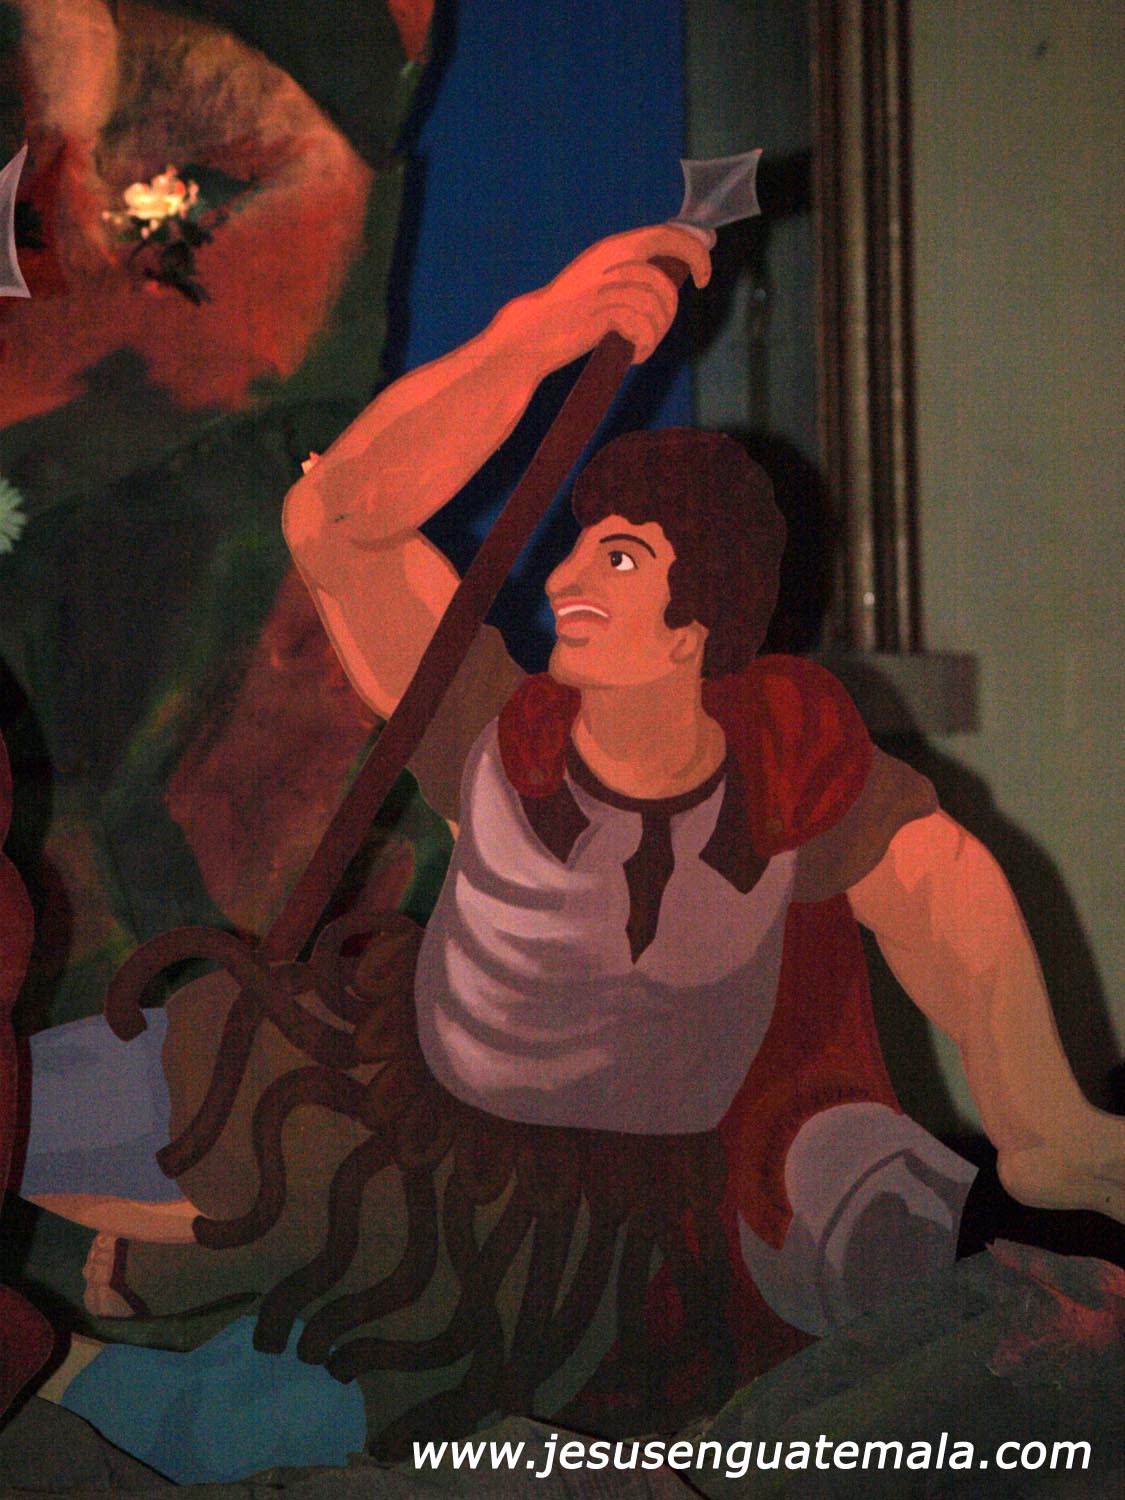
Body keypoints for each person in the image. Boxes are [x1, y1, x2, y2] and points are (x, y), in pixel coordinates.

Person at [15, 222, 1124, 1475]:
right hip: (357, 1093)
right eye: (581, 546)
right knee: (64, 1108)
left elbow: (936, 886)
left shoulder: (784, 769)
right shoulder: (501, 732)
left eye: (619, 556)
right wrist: (533, 336)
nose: (563, 581)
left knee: (214, 1428)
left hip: (561, 1257)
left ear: (695, 626)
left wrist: (1041, 1113)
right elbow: (338, 518)